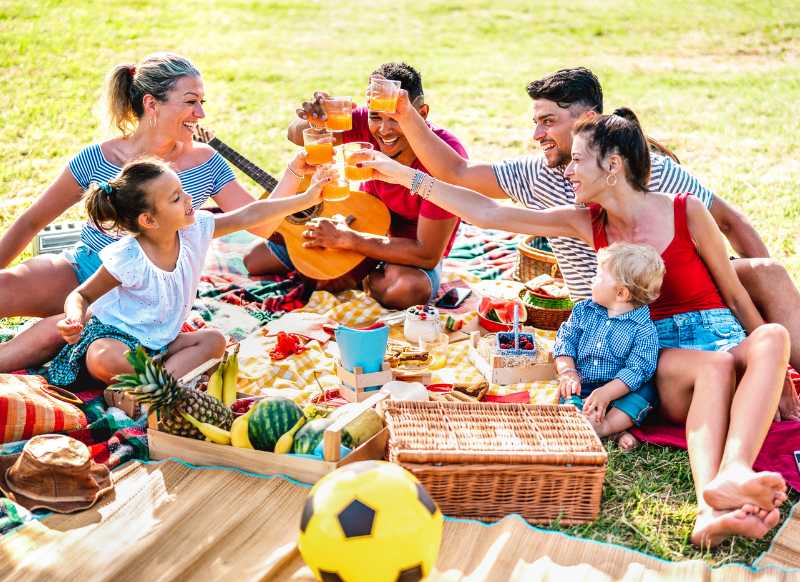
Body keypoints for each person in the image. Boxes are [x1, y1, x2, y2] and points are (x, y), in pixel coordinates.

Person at [361, 109, 790, 548]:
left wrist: (779, 376)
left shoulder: (686, 210)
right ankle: (708, 507)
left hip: (725, 339)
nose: (568, 170)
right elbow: (488, 213)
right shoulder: (587, 222)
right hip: (676, 366)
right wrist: (404, 177)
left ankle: (734, 473)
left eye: (578, 160)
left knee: (773, 337)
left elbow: (735, 296)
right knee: (716, 366)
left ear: (613, 165)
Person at [382, 66, 800, 418]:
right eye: (536, 122)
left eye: (548, 121)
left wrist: (757, 333)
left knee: (765, 273)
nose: (537, 134)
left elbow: (727, 221)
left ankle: (779, 364)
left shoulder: (654, 176)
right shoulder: (553, 188)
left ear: (590, 123)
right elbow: (466, 184)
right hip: (622, 312)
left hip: (683, 293)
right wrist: (403, 131)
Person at [0, 53, 267, 373]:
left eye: (201, 102)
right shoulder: (98, 157)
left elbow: (260, 222)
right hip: (84, 271)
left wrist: (300, 178)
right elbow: (32, 221)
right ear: (152, 103)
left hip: (145, 301)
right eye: (191, 102)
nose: (201, 113)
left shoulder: (206, 162)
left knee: (68, 336)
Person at [48, 155, 331, 385]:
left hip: (162, 346)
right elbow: (81, 296)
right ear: (148, 220)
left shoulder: (196, 231)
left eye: (183, 190)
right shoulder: (128, 257)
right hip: (117, 340)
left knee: (214, 341)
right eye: (175, 198)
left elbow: (249, 214)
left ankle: (152, 392)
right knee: (103, 357)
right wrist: (74, 318)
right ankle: (169, 386)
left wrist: (305, 200)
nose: (188, 198)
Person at [242, 62, 466, 309]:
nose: (383, 129)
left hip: (405, 252)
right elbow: (295, 135)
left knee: (407, 290)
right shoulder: (363, 120)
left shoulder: (444, 158)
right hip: (359, 219)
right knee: (254, 260)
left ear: (421, 114)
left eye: (395, 118)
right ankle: (343, 272)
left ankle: (355, 278)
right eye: (376, 117)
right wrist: (315, 120)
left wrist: (348, 240)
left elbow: (427, 253)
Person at [554, 242, 665, 451]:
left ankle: (606, 427)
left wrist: (607, 393)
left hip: (620, 390)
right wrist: (568, 371)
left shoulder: (644, 329)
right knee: (567, 390)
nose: (591, 280)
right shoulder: (583, 311)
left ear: (621, 293)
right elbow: (565, 340)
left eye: (597, 276)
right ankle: (579, 414)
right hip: (583, 381)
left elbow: (637, 369)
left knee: (646, 393)